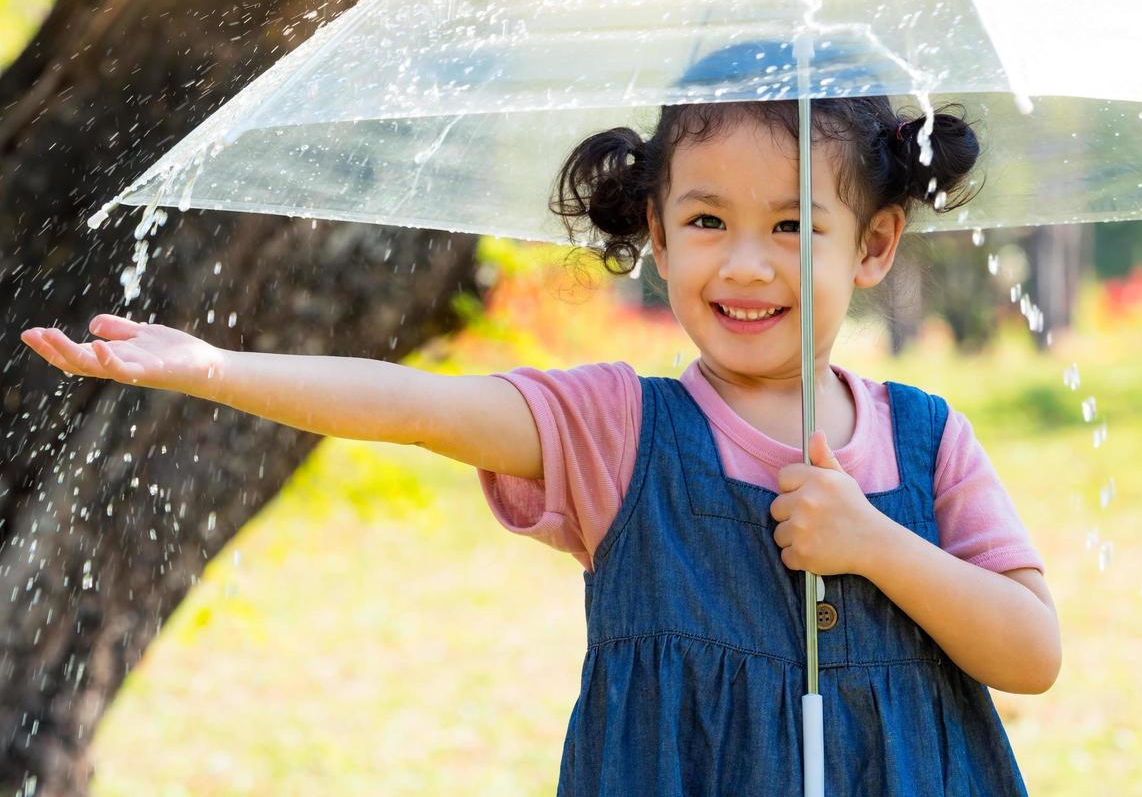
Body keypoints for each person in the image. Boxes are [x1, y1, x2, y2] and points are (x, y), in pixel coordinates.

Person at [20, 45, 1060, 795]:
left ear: (873, 243)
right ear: (653, 228)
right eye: (706, 220)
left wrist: (873, 543)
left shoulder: (926, 441)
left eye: (794, 223)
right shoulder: (618, 429)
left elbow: (1028, 650)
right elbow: (421, 406)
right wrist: (218, 367)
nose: (745, 262)